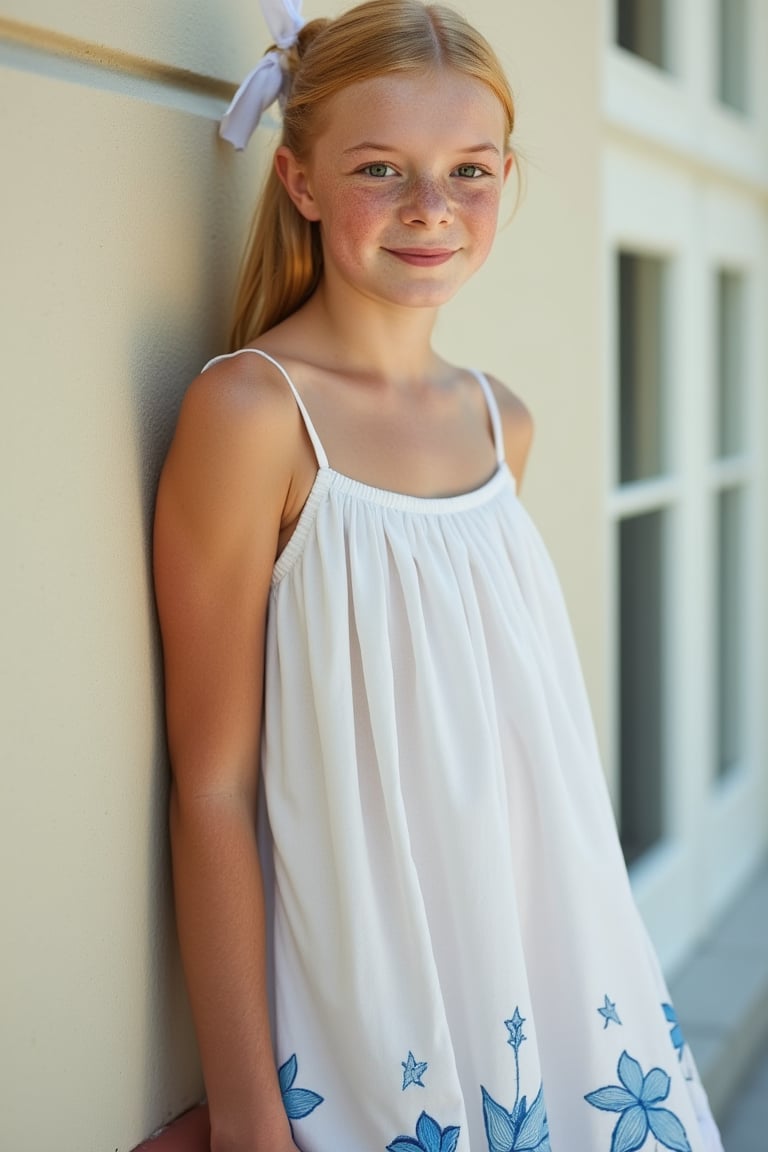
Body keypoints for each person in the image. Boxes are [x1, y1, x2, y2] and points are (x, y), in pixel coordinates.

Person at [153, 2, 725, 1151]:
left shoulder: (499, 422)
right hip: (381, 998)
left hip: (547, 975)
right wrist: (251, 1113)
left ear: (507, 177)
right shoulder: (256, 414)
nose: (431, 209)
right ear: (302, 178)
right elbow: (212, 787)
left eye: (469, 170)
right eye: (382, 169)